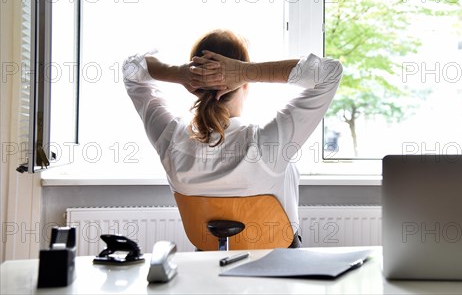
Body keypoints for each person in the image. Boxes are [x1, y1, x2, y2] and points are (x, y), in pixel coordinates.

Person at [123, 29, 343, 247]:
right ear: (243, 84)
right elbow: (330, 72)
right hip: (279, 269)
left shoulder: (171, 139)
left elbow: (131, 70)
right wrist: (248, 71)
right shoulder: (267, 145)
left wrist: (178, 73)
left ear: (193, 87)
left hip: (209, 268)